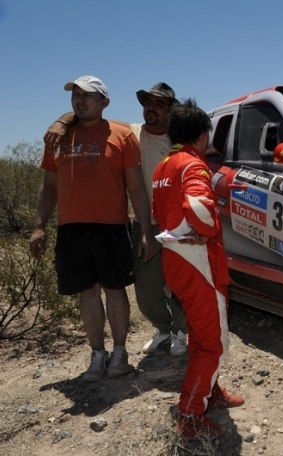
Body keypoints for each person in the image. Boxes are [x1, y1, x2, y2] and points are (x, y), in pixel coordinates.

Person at [44, 83, 188, 357]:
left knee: (181, 283)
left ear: (171, 110)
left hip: (179, 223)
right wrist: (61, 120)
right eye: (147, 102)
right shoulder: (130, 133)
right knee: (146, 291)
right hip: (146, 223)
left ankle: (181, 332)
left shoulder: (181, 141)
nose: (151, 108)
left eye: (159, 104)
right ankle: (163, 328)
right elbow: (88, 115)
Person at [29, 75, 153, 382]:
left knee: (114, 289)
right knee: (87, 292)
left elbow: (136, 187)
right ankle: (98, 355)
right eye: (76, 95)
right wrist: (39, 226)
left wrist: (146, 229)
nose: (80, 100)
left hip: (111, 225)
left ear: (104, 102)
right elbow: (49, 187)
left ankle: (120, 353)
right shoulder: (57, 138)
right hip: (71, 227)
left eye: (88, 95)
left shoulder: (121, 134)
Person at [151, 99, 244, 440]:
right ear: (203, 135)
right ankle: (190, 417)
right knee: (213, 344)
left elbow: (165, 207)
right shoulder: (193, 164)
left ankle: (210, 392)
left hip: (176, 262)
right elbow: (198, 207)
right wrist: (205, 228)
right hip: (199, 264)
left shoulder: (164, 165)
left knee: (200, 332)